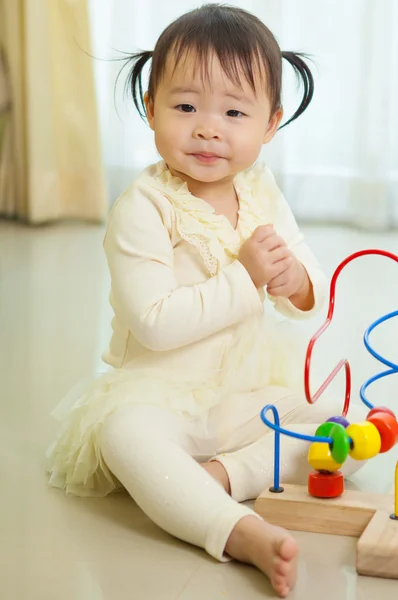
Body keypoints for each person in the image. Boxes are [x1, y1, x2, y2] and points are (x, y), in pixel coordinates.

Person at [46, 5, 364, 598]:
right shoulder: (143, 207)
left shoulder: (261, 191)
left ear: (270, 124)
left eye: (234, 112)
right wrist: (246, 277)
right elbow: (156, 323)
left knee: (338, 429)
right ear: (150, 108)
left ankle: (221, 477)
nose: (208, 128)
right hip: (161, 397)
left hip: (238, 396)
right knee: (126, 439)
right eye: (186, 106)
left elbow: (308, 295)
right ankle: (236, 529)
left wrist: (294, 279)